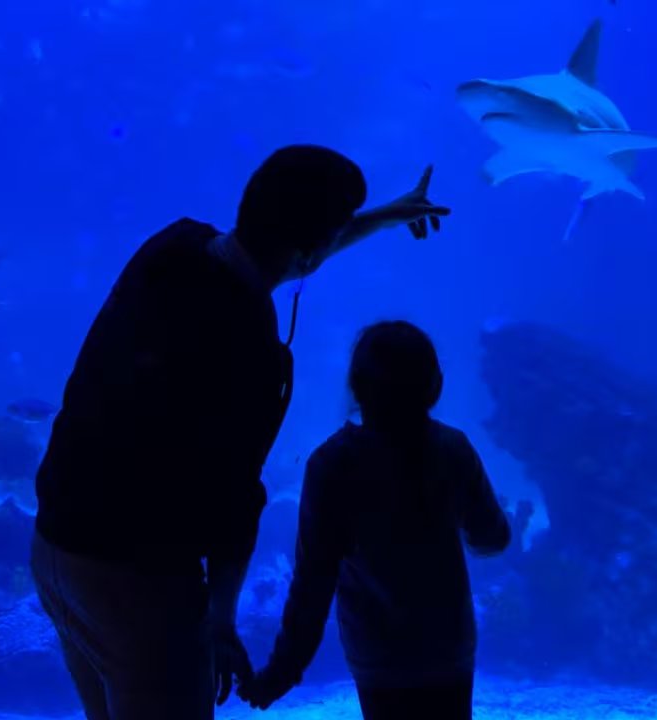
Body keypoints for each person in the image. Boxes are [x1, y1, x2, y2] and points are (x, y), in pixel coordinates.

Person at [30, 146, 451, 720]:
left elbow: (282, 255)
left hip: (56, 550)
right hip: (134, 581)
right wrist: (221, 619)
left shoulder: (173, 246)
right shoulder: (249, 349)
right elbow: (236, 499)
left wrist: (381, 217)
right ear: (315, 244)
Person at [238, 320, 511, 719]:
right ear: (435, 385)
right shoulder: (453, 450)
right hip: (447, 651)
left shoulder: (332, 465)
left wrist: (282, 672)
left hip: (378, 656)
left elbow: (311, 587)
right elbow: (493, 538)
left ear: (356, 387)